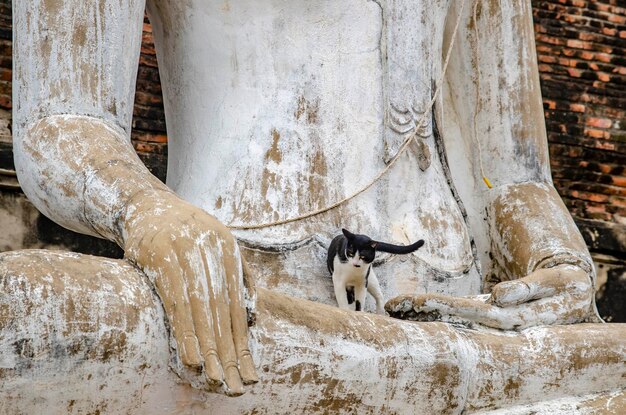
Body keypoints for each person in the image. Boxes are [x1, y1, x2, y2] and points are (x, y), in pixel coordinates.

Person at [7, 0, 624, 412]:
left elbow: (513, 170)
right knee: (28, 314)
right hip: (244, 310)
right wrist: (145, 209)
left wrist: (557, 261)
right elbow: (61, 120)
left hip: (453, 305)